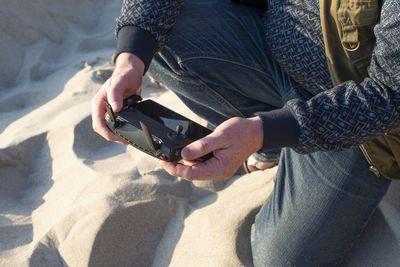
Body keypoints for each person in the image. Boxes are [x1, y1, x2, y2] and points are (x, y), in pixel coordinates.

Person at [91, 0, 400, 265]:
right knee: (154, 37)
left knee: (281, 260)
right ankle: (273, 150)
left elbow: (389, 95)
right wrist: (129, 58)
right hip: (267, 45)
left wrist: (266, 130)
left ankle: (270, 140)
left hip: (362, 127)